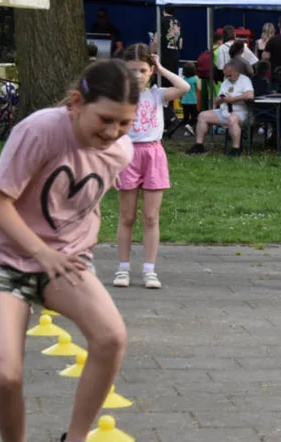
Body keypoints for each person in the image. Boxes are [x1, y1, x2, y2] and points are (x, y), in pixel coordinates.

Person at [0, 60, 137, 442]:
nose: (114, 132)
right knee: (5, 374)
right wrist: (42, 252)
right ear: (76, 103)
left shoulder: (121, 152)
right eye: (106, 120)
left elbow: (84, 204)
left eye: (125, 123)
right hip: (4, 256)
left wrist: (78, 246)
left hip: (62, 259)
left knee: (111, 336)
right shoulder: (40, 130)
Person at [112, 45, 189, 291]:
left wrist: (162, 68)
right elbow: (111, 132)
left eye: (143, 70)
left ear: (151, 71)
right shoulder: (119, 96)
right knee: (127, 216)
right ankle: (123, 268)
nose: (137, 76)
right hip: (127, 154)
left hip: (153, 154)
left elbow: (184, 88)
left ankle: (149, 270)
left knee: (150, 216)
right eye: (132, 71)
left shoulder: (157, 94)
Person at [187, 58, 254, 156]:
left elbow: (250, 95)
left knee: (232, 119)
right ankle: (199, 145)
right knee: (202, 115)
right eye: (226, 76)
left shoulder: (244, 80)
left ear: (236, 72)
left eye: (230, 75)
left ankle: (235, 148)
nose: (228, 78)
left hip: (240, 112)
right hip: (224, 110)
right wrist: (221, 98)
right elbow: (218, 97)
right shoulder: (225, 82)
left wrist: (233, 99)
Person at [180, 62, 199, 132]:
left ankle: (182, 130)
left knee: (185, 118)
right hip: (192, 101)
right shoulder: (195, 79)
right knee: (195, 117)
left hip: (184, 101)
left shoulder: (183, 79)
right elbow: (199, 88)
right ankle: (189, 126)